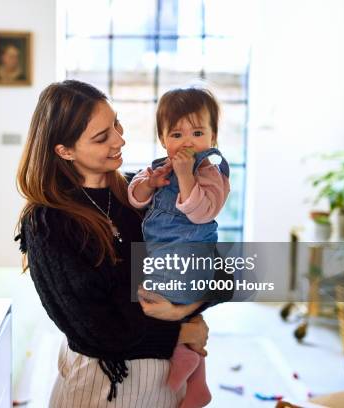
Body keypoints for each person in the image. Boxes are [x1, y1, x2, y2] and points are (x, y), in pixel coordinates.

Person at [16, 80, 210, 407]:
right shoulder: (48, 224)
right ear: (64, 150)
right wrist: (179, 331)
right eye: (102, 136)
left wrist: (189, 309)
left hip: (165, 384)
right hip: (103, 388)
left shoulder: (143, 192)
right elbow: (100, 332)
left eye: (116, 123)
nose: (120, 139)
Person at [127, 88, 231, 407]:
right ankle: (196, 378)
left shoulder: (212, 173)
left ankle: (185, 358)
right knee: (168, 307)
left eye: (197, 133)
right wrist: (149, 183)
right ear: (162, 138)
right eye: (176, 133)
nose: (187, 142)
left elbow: (201, 211)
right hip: (162, 255)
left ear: (213, 137)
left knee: (149, 300)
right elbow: (135, 198)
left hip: (191, 256)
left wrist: (186, 177)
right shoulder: (159, 167)